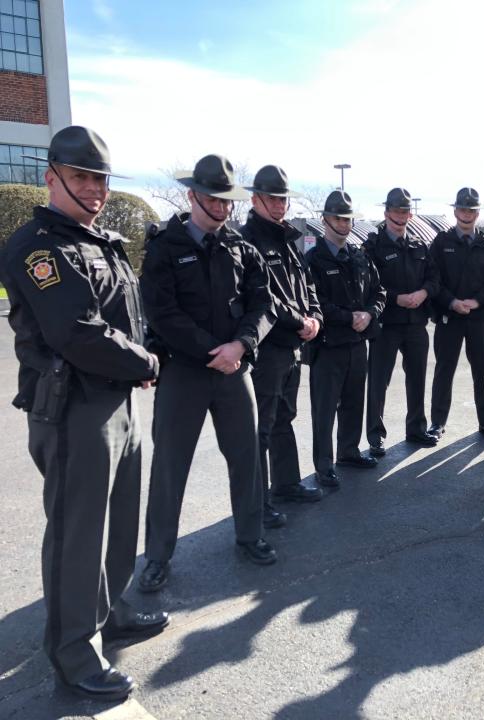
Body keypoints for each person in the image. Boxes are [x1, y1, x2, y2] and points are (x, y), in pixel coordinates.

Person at [0, 126, 168, 701]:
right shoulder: (38, 247)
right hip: (73, 409)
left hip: (118, 399)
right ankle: (74, 654)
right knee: (78, 534)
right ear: (52, 177)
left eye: (100, 178)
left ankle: (110, 609)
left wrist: (139, 361)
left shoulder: (102, 241)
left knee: (121, 522)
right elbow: (77, 332)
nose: (94, 189)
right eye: (81, 177)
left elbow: (127, 316)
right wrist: (145, 359)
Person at [138, 154, 278, 594]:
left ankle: (249, 535)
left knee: (246, 457)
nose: (220, 207)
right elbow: (162, 313)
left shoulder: (241, 247)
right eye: (212, 198)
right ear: (192, 194)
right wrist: (210, 351)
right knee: (170, 465)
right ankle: (158, 557)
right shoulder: (165, 247)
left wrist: (241, 345)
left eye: (227, 200)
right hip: (185, 371)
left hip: (234, 369)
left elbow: (264, 305)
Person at [240, 165, 324, 529]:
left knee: (284, 418)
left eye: (283, 198)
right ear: (255, 198)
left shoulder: (287, 241)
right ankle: (257, 503)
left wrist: (316, 317)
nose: (279, 205)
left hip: (293, 346)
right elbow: (266, 297)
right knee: (261, 425)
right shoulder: (249, 241)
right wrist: (300, 322)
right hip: (269, 346)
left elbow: (308, 288)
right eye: (272, 198)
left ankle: (287, 483)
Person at [305, 191, 386, 488]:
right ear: (325, 219)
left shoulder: (359, 256)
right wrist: (348, 317)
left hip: (356, 344)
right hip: (328, 346)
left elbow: (379, 292)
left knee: (353, 402)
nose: (344, 223)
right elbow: (313, 301)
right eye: (338, 217)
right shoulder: (313, 259)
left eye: (348, 218)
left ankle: (349, 451)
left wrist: (368, 313)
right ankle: (323, 465)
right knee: (324, 409)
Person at [364, 187, 439, 455]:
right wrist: (397, 299)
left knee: (417, 377)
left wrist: (423, 293)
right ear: (386, 213)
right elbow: (369, 285)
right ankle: (375, 435)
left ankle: (417, 428)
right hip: (387, 324)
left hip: (416, 322)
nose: (401, 215)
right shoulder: (372, 246)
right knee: (378, 381)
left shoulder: (419, 245)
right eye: (396, 210)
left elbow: (434, 278)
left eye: (405, 211)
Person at [427, 188, 484, 439]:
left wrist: (477, 301)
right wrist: (451, 302)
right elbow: (432, 279)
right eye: (462, 209)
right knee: (444, 371)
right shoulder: (441, 243)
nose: (467, 214)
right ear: (455, 211)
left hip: (478, 317)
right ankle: (437, 423)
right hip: (449, 317)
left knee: (482, 372)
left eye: (471, 210)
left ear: (477, 212)